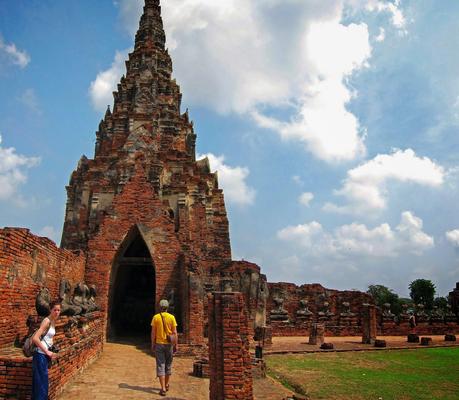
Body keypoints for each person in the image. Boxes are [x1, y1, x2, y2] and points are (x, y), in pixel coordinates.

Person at [32, 300, 61, 400]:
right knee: (41, 384)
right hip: (40, 355)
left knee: (43, 383)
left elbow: (49, 338)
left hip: (45, 355)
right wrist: (47, 351)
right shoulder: (47, 321)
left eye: (58, 310)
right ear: (50, 310)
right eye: (55, 310)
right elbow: (35, 338)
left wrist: (52, 349)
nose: (57, 312)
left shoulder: (53, 321)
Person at [151, 299, 178, 396]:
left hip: (159, 343)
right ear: (167, 307)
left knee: (160, 365)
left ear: (160, 307)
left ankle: (162, 388)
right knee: (168, 365)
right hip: (169, 344)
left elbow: (153, 332)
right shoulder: (172, 317)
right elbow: (175, 333)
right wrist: (176, 344)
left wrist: (152, 343)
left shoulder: (156, 317)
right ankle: (166, 385)